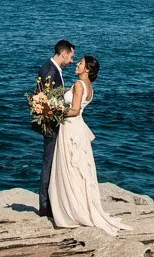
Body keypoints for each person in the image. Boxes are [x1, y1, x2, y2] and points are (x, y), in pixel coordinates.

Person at [47, 54, 130, 236]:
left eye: (80, 63)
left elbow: (75, 110)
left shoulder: (78, 85)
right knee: (78, 168)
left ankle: (72, 210)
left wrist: (52, 110)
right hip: (78, 129)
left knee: (70, 167)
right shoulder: (89, 87)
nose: (77, 64)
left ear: (87, 69)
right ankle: (79, 205)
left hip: (70, 128)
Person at [35, 39, 73, 220]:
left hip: (52, 124)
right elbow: (45, 100)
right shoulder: (50, 71)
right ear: (64, 54)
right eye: (71, 56)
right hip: (51, 126)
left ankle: (50, 202)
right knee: (49, 163)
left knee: (50, 163)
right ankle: (45, 206)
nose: (72, 61)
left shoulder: (50, 68)